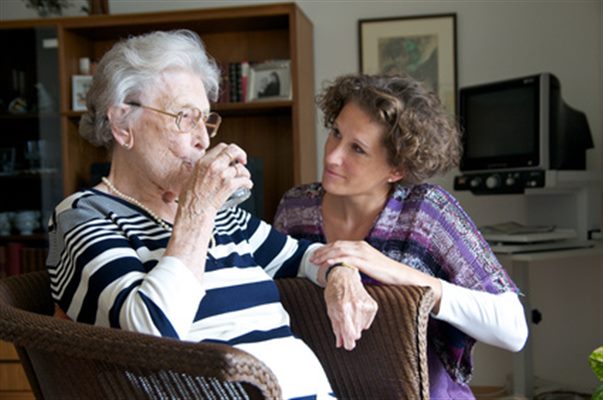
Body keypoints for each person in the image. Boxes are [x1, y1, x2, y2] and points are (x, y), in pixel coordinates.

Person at [46, 30, 377, 400]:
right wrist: (198, 209)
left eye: (206, 120)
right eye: (185, 118)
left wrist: (342, 274)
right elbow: (147, 338)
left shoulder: (225, 217)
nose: (203, 139)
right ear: (123, 125)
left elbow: (306, 258)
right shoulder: (83, 217)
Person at [274, 73, 529, 399]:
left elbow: (513, 329)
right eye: (335, 133)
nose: (333, 156)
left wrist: (397, 273)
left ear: (396, 170)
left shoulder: (427, 211)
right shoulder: (296, 206)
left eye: (357, 149)